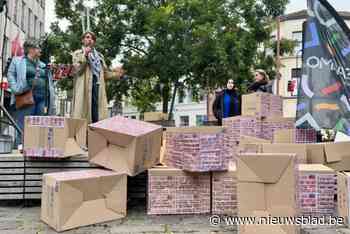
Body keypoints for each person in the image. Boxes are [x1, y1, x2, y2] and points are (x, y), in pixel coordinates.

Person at [7, 39, 56, 148]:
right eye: (38, 47)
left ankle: (38, 148)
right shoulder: (18, 61)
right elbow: (10, 75)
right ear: (30, 49)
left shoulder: (43, 64)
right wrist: (16, 89)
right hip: (27, 96)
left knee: (40, 124)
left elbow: (49, 81)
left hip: (43, 98)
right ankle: (21, 148)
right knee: (24, 124)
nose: (40, 50)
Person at [71, 31, 125, 123]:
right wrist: (85, 55)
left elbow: (104, 73)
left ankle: (95, 133)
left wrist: (117, 74)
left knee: (97, 113)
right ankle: (83, 134)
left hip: (97, 87)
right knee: (84, 114)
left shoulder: (99, 56)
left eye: (92, 38)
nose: (90, 40)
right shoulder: (77, 53)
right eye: (87, 37)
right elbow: (78, 70)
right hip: (84, 89)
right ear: (83, 40)